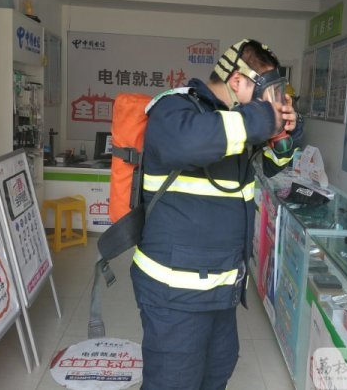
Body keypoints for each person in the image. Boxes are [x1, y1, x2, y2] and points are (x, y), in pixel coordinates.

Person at [130, 39, 303, 390]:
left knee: (217, 371)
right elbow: (188, 143)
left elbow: (273, 166)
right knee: (174, 382)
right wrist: (260, 119)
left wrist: (286, 134)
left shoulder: (236, 126)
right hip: (175, 291)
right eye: (266, 92)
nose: (270, 102)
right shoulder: (175, 108)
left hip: (221, 287)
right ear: (237, 80)